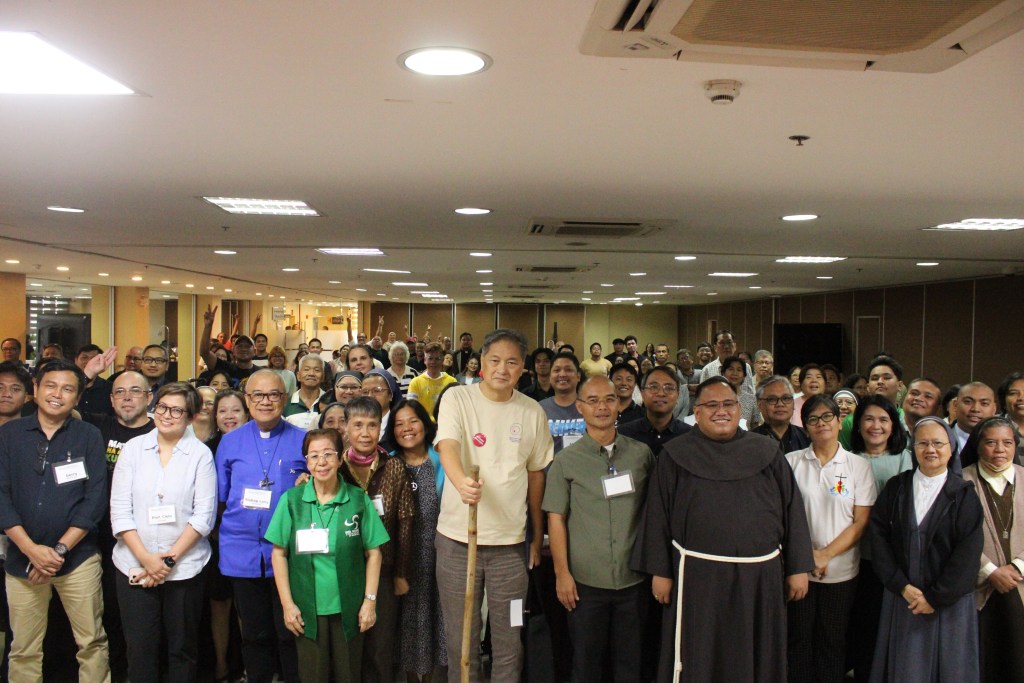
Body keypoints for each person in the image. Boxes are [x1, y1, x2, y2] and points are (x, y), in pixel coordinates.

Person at [631, 376, 814, 682]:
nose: (721, 411)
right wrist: (660, 572)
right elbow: (657, 516)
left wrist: (798, 568)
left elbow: (792, 509)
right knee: (701, 653)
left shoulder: (767, 451)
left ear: (739, 409)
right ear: (697, 412)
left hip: (759, 580)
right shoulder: (675, 455)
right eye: (712, 405)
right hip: (698, 580)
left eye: (728, 403)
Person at [434, 329, 554, 682]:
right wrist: (461, 482)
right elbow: (448, 445)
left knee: (510, 636)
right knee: (462, 637)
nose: (503, 369)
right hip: (457, 540)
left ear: (523, 368)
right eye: (495, 360)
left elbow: (536, 476)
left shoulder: (532, 411)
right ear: (482, 363)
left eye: (512, 362)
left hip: (510, 546)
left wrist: (536, 536)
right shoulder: (458, 397)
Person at [0, 359, 110, 682]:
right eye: (50, 386)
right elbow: (1, 496)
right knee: (23, 648)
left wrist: (58, 551)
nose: (57, 395)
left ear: (78, 397)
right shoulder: (9, 435)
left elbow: (94, 500)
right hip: (22, 560)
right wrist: (31, 550)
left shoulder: (89, 436)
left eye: (67, 389)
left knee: (91, 643)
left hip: (77, 559)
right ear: (35, 389)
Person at [545, 375, 655, 683]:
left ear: (619, 404)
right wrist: (562, 574)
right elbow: (556, 519)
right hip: (585, 583)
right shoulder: (566, 460)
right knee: (586, 664)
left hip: (634, 579)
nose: (602, 407)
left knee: (630, 665)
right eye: (592, 401)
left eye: (609, 399)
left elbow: (655, 514)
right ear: (580, 407)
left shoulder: (641, 454)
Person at [110, 382, 216, 683]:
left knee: (182, 648)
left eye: (177, 411)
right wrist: (147, 559)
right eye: (162, 407)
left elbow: (203, 517)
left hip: (184, 568)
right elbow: (120, 511)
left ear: (191, 417)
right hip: (134, 564)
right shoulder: (133, 450)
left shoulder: (200, 454)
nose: (167, 415)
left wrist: (168, 560)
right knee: (140, 648)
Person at [265, 428, 388, 683]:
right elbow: (278, 554)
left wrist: (370, 602)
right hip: (306, 609)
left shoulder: (357, 499)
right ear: (307, 462)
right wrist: (287, 605)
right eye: (314, 456)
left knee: (349, 675)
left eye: (328, 454)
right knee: (313, 676)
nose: (321, 462)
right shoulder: (292, 501)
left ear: (340, 458)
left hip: (351, 607)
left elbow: (374, 553)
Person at [869, 416, 984, 682]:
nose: (930, 449)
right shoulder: (897, 487)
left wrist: (935, 597)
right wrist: (900, 585)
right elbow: (878, 538)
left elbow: (968, 554)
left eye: (937, 443)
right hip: (904, 597)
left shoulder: (964, 494)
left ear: (951, 448)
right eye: (922, 443)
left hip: (949, 602)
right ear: (913, 448)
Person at [216, 370, 308, 683]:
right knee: (253, 633)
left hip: (288, 554)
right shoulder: (230, 442)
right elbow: (221, 497)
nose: (265, 401)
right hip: (241, 552)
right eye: (258, 395)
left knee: (289, 631)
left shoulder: (302, 440)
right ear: (247, 399)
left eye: (273, 395)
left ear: (285, 399)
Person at [786, 395, 876, 683]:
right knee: (798, 639)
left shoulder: (858, 466)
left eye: (827, 417)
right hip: (798, 571)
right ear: (805, 427)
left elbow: (860, 522)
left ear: (839, 421)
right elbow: (783, 519)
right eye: (813, 419)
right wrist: (806, 558)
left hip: (841, 572)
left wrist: (824, 555)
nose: (821, 423)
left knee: (832, 640)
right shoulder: (790, 462)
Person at [338, 396, 415, 683]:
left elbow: (405, 522)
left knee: (380, 648)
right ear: (346, 427)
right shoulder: (336, 468)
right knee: (348, 646)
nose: (365, 433)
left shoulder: (394, 467)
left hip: (384, 570)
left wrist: (401, 574)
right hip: (344, 571)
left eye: (372, 425)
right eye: (358, 425)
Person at [845, 395, 911, 682]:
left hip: (892, 561)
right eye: (869, 419)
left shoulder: (906, 459)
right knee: (859, 625)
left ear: (893, 425)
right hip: (853, 557)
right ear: (858, 425)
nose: (876, 426)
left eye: (884, 420)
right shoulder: (846, 460)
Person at [386, 399, 447, 681]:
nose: (407, 428)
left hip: (440, 555)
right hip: (403, 559)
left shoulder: (443, 458)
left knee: (437, 619)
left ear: (425, 423)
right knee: (409, 624)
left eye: (413, 421)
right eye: (399, 424)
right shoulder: (389, 463)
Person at [960, 416, 1024, 682]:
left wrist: (1017, 567)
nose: (1000, 450)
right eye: (991, 443)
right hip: (978, 588)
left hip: (1019, 583)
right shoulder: (960, 481)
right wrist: (989, 570)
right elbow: (955, 536)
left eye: (1007, 443)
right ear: (977, 445)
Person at [618, 365, 691, 456]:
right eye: (653, 387)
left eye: (669, 388)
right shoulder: (623, 434)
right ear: (642, 394)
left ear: (678, 396)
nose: (661, 393)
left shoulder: (690, 436)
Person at [539, 352, 586, 453]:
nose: (562, 374)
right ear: (550, 376)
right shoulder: (540, 408)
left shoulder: (589, 406)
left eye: (568, 370)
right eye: (557, 370)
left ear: (578, 376)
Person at [751, 376, 810, 454]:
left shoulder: (807, 437)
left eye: (786, 398)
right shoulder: (749, 441)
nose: (780, 404)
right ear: (760, 405)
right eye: (772, 399)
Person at [406, 343, 457, 417]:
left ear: (442, 360)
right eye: (430, 358)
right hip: (423, 423)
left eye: (437, 359)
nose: (433, 362)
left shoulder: (452, 382)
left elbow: (454, 408)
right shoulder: (415, 382)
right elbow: (411, 409)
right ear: (425, 360)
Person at [283, 355, 326, 431]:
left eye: (317, 370)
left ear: (323, 376)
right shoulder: (286, 404)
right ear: (298, 376)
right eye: (306, 369)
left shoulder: (330, 402)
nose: (311, 373)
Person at [954, 382, 998, 453]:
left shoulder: (1003, 443)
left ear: (994, 409)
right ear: (955, 405)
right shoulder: (941, 437)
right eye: (968, 402)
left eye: (984, 403)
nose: (975, 409)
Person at [721, 355, 759, 427]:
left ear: (744, 376)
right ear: (723, 373)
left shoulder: (752, 399)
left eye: (739, 370)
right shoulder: (715, 398)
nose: (735, 373)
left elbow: (755, 427)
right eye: (731, 369)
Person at [793, 363, 826, 428]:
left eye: (818, 377)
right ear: (801, 384)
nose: (814, 380)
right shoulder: (791, 405)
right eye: (809, 377)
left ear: (825, 384)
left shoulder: (831, 405)